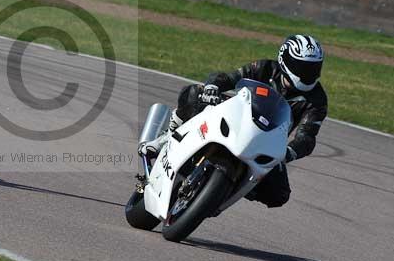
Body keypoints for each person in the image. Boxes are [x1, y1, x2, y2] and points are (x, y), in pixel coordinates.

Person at [139, 34, 328, 209]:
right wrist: (213, 87)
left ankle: (230, 187)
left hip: (267, 143)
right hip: (235, 119)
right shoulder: (264, 68)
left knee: (279, 194)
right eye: (303, 67)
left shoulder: (317, 100)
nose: (309, 73)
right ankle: (169, 135)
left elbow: (307, 135)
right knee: (194, 93)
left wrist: (289, 153)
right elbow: (228, 78)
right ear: (285, 60)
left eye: (314, 68)